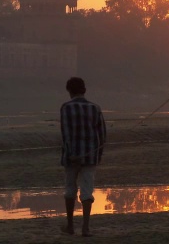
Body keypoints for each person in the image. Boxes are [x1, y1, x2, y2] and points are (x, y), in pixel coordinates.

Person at [60, 77, 106, 237]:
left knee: (70, 189)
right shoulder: (95, 108)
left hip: (71, 158)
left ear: (69, 91)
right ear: (84, 90)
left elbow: (65, 134)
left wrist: (71, 154)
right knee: (87, 191)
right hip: (89, 157)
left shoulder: (66, 108)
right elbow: (102, 135)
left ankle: (70, 226)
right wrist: (97, 156)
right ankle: (86, 228)